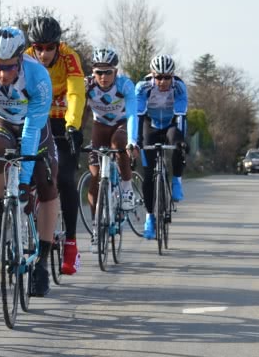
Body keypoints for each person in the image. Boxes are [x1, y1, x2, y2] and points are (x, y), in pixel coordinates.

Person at [0, 26, 58, 297]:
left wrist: (23, 181)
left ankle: (42, 261)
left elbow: (32, 129)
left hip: (34, 126)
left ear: (20, 60)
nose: (2, 74)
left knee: (45, 182)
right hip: (3, 122)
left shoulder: (38, 77)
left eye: (9, 68)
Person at [24, 16, 87, 275]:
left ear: (58, 46)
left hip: (62, 123)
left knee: (65, 180)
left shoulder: (69, 57)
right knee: (24, 177)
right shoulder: (25, 57)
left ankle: (71, 243)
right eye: (39, 47)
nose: (44, 53)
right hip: (35, 121)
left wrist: (73, 125)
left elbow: (75, 92)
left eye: (50, 47)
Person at [128, 53, 189, 240]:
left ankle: (177, 180)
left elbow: (181, 118)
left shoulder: (179, 87)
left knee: (178, 144)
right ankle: (149, 217)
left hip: (170, 124)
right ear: (152, 75)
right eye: (158, 77)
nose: (162, 82)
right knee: (148, 174)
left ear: (173, 76)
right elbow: (137, 117)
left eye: (166, 78)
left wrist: (181, 142)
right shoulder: (143, 87)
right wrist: (136, 142)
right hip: (150, 124)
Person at [82, 47, 136, 215]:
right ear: (93, 72)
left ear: (116, 71)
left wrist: (132, 140)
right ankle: (96, 228)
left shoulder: (124, 85)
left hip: (121, 124)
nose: (103, 77)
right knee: (95, 176)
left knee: (119, 143)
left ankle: (127, 188)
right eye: (99, 72)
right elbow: (81, 113)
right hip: (100, 126)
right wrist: (75, 133)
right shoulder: (87, 85)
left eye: (108, 72)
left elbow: (133, 113)